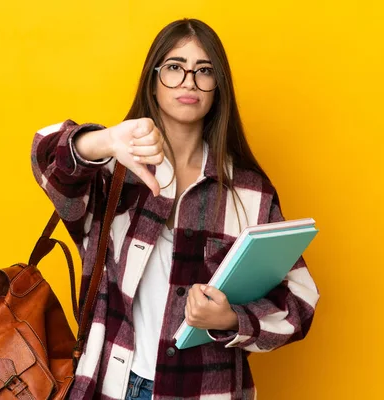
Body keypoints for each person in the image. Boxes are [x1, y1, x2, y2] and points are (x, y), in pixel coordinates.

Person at [31, 18, 319, 400]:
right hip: (110, 386)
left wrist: (232, 319)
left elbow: (300, 299)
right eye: (174, 67)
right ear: (152, 80)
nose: (189, 81)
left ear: (219, 88)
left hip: (206, 392)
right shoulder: (113, 171)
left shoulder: (249, 191)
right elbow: (46, 159)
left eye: (204, 71)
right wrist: (103, 140)